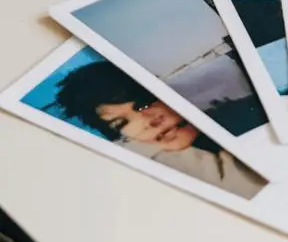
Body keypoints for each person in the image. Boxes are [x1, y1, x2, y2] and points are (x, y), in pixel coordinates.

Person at [54, 59, 266, 199]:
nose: (149, 122)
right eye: (121, 124)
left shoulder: (249, 116)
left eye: (144, 104)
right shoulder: (157, 178)